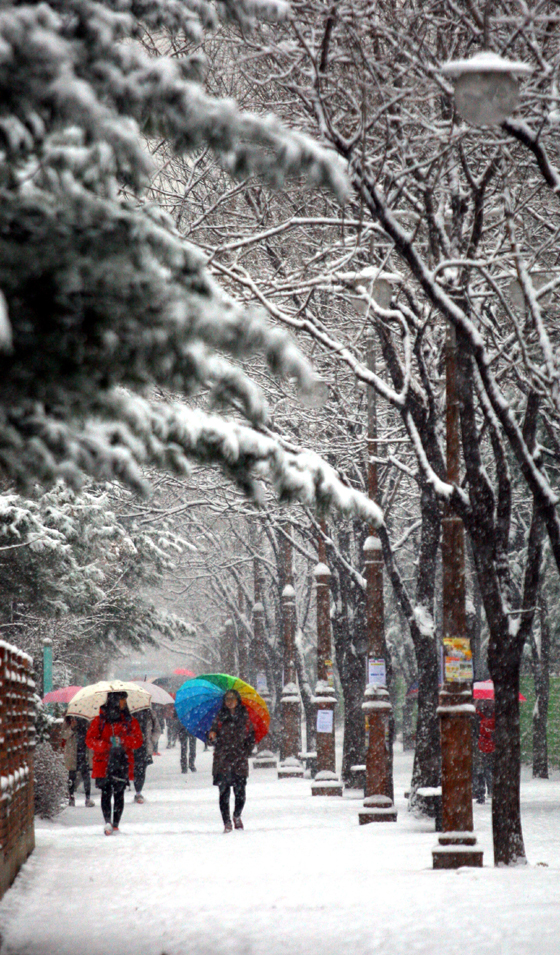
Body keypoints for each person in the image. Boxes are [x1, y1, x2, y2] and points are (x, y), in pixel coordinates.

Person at [86, 691, 142, 835]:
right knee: (106, 793)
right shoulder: (99, 721)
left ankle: (115, 823)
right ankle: (107, 822)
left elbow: (138, 740)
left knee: (119, 793)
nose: (124, 703)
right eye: (122, 700)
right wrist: (106, 745)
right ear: (115, 701)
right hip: (104, 763)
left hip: (121, 763)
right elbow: (90, 740)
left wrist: (123, 741)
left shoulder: (129, 720)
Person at [207, 689, 255, 833]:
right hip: (223, 759)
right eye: (227, 699)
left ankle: (237, 815)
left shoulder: (244, 717)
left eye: (232, 699)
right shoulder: (219, 717)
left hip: (239, 759)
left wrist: (246, 751)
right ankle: (227, 822)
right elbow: (211, 739)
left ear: (238, 700)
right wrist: (212, 736)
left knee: (240, 792)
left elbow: (251, 736)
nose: (230, 702)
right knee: (224, 793)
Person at [61, 715, 95, 807]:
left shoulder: (87, 719)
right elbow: (64, 736)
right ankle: (71, 798)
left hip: (84, 752)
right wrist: (71, 727)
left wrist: (89, 726)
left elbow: (93, 735)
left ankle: (87, 798)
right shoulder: (68, 721)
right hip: (73, 753)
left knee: (86, 776)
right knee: (71, 776)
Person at [133, 706, 162, 803]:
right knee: (135, 769)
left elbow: (157, 729)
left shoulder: (150, 713)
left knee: (141, 769)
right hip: (132, 746)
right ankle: (137, 790)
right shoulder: (129, 712)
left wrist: (151, 740)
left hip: (144, 747)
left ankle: (138, 791)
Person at [474, 699, 495, 804]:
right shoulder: (495, 712)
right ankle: (492, 790)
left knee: (480, 770)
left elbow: (474, 730)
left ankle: (480, 794)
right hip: (492, 745)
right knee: (490, 769)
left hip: (481, 745)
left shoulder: (477, 712)